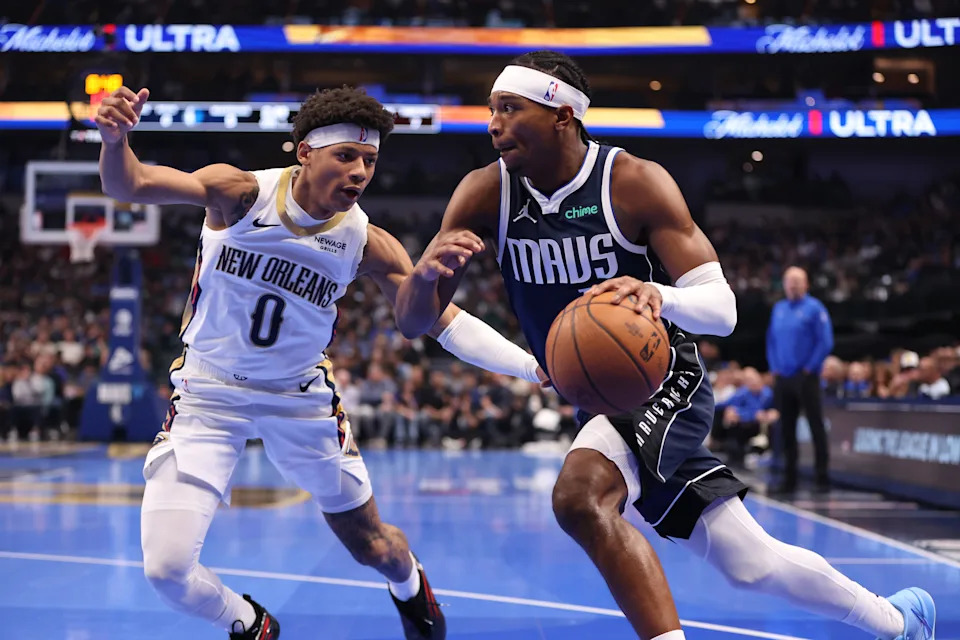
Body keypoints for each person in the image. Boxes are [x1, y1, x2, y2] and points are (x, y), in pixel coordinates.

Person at [394, 50, 936, 640]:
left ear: (562, 115)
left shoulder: (632, 181)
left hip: (664, 378)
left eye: (509, 108)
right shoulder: (482, 194)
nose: (493, 123)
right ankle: (900, 620)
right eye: (490, 110)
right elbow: (416, 322)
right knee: (749, 565)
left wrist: (657, 293)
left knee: (580, 498)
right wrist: (425, 283)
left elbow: (723, 311)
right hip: (600, 395)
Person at [96, 84, 546, 640]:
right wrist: (115, 141)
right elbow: (131, 183)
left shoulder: (367, 242)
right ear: (305, 151)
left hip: (299, 401)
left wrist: (531, 366)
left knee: (373, 546)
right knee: (165, 569)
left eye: (371, 160)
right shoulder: (239, 193)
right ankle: (248, 622)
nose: (360, 172)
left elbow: (434, 322)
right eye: (347, 156)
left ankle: (410, 584)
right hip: (209, 396)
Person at [766, 266, 833, 493]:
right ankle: (789, 478)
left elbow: (825, 342)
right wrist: (774, 368)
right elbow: (771, 341)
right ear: (784, 285)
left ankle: (822, 477)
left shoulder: (815, 309)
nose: (793, 285)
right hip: (783, 377)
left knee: (816, 425)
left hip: (806, 377)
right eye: (789, 281)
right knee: (786, 428)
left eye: (798, 281)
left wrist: (808, 369)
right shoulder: (779, 309)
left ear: (806, 284)